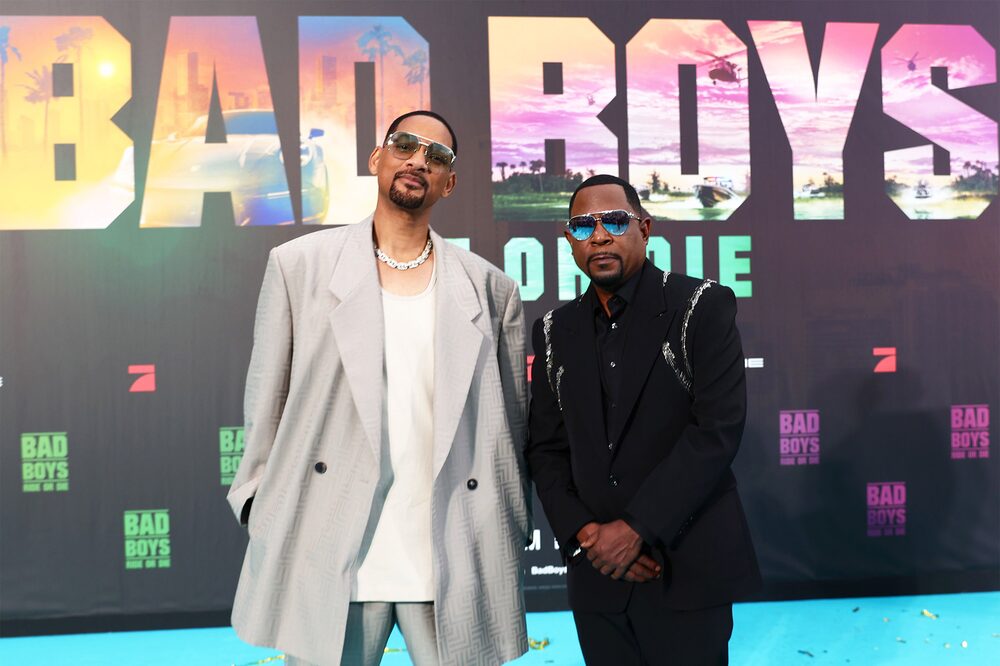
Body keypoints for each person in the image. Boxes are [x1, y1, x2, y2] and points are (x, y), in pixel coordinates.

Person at [227, 110, 530, 665]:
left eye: (436, 156)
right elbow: (265, 398)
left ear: (449, 182)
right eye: (406, 145)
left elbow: (507, 427)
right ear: (377, 158)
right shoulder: (299, 266)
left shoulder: (491, 289)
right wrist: (256, 503)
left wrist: (505, 524)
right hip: (332, 536)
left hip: (449, 543)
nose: (419, 159)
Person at [526, 174, 760, 664]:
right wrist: (590, 538)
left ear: (645, 228)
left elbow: (715, 433)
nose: (601, 236)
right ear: (569, 240)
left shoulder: (701, 307)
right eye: (583, 226)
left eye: (614, 221)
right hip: (598, 579)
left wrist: (633, 531)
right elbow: (547, 450)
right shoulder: (552, 330)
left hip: (686, 567)